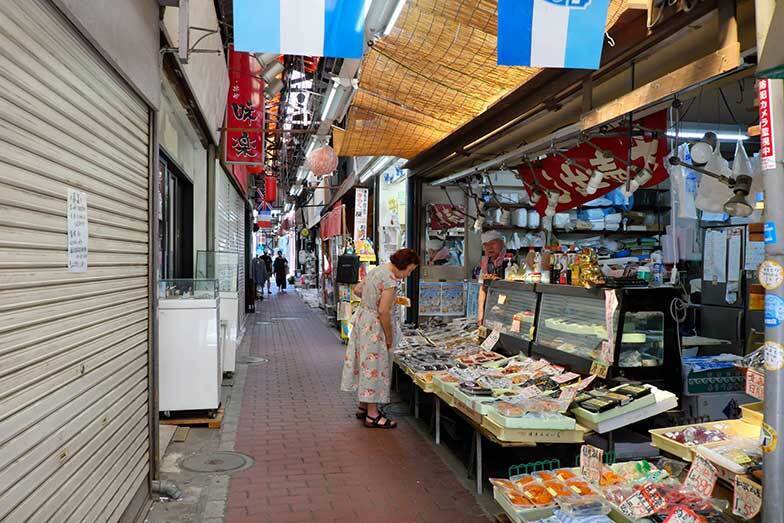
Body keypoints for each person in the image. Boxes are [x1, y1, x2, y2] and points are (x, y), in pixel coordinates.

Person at [340, 248, 419, 429]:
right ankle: (373, 415)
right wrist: (389, 337)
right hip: (375, 327)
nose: (408, 275)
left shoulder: (376, 270)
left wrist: (371, 298)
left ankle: (363, 406)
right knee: (375, 367)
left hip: (363, 321)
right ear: (403, 265)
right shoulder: (390, 279)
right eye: (409, 270)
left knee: (364, 364)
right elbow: (383, 311)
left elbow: (358, 290)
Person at [477, 230, 508, 326]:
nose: (489, 247)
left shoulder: (511, 260)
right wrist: (480, 314)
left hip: (510, 309)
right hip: (492, 311)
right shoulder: (486, 263)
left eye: (493, 243)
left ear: (502, 243)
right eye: (485, 244)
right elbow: (483, 288)